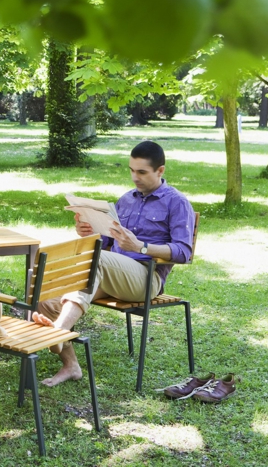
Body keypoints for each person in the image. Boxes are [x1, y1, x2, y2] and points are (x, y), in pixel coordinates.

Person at [32, 141, 195, 387]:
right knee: (48, 295)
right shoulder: (125, 200)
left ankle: (58, 332)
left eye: (142, 172)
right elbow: (105, 241)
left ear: (160, 171)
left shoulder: (177, 202)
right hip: (111, 274)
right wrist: (86, 230)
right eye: (131, 170)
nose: (134, 178)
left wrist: (140, 246)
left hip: (145, 278)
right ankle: (71, 365)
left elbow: (184, 252)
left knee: (95, 261)